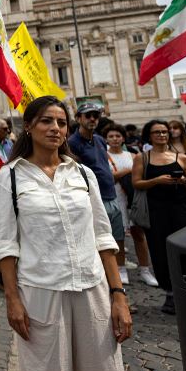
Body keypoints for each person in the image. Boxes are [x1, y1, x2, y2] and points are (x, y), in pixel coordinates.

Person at [0, 96, 130, 371]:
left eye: (61, 122)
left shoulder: (82, 174)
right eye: (46, 121)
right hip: (41, 292)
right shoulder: (10, 176)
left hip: (91, 288)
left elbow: (103, 238)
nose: (55, 128)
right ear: (28, 126)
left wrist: (118, 295)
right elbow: (4, 244)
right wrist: (12, 299)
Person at [132, 120, 186, 315]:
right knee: (160, 250)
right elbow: (137, 183)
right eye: (157, 132)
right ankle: (170, 293)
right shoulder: (142, 158)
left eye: (164, 131)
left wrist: (185, 180)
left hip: (182, 209)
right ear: (149, 136)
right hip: (156, 211)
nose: (162, 135)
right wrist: (156, 181)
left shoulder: (181, 157)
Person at [68, 103, 128, 285]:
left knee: (117, 237)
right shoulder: (72, 143)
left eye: (96, 115)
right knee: (96, 242)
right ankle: (103, 281)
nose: (93, 119)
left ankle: (119, 271)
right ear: (78, 118)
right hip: (93, 199)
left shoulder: (101, 140)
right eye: (88, 115)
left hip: (111, 196)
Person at [104, 125, 158, 287]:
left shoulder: (133, 155)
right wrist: (127, 171)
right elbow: (108, 178)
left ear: (123, 138)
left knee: (139, 235)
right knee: (118, 236)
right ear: (106, 139)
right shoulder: (103, 156)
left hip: (132, 199)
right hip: (115, 198)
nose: (115, 139)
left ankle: (145, 270)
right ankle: (121, 269)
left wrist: (127, 172)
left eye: (117, 136)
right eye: (111, 136)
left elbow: (140, 175)